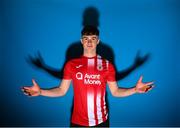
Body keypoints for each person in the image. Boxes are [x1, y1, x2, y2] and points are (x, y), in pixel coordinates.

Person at [22, 25, 154, 127]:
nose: (89, 42)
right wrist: (40, 92)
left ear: (98, 41)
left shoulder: (107, 65)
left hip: (101, 121)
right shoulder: (71, 64)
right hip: (78, 122)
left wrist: (135, 90)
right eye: (86, 39)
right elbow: (61, 90)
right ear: (81, 41)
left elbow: (115, 91)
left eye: (93, 39)